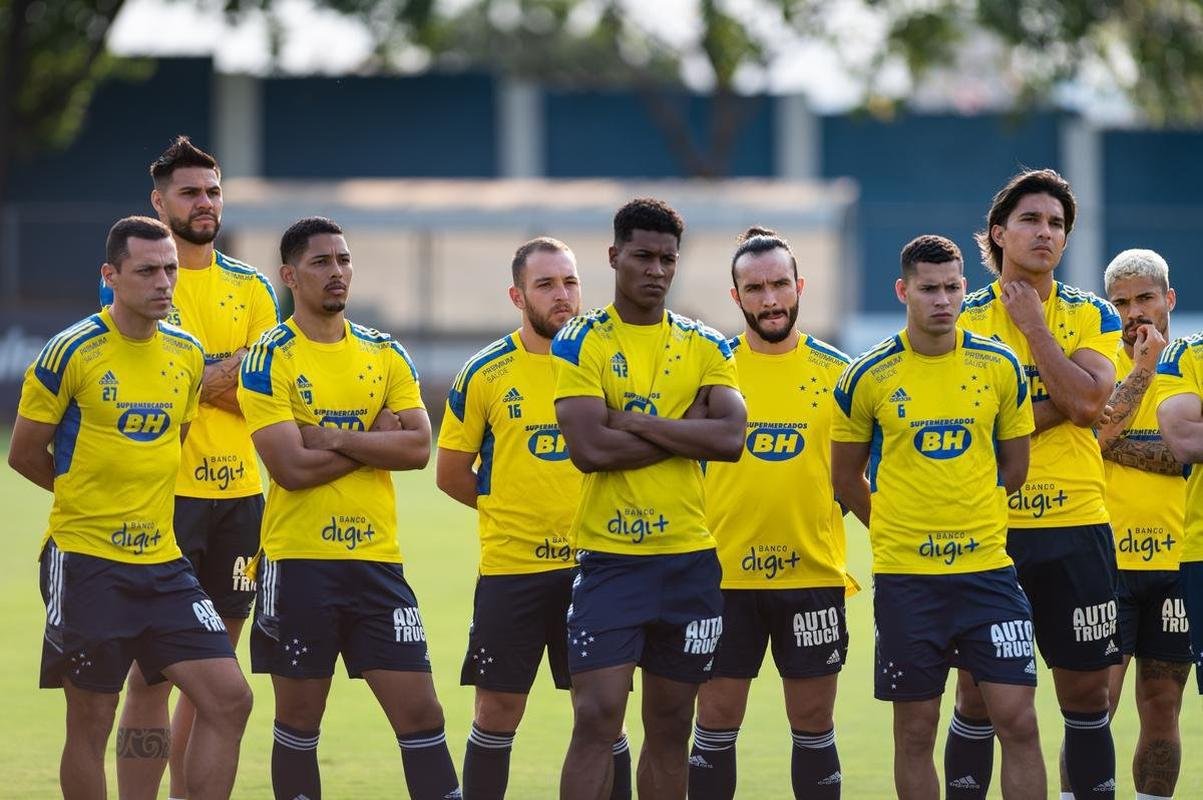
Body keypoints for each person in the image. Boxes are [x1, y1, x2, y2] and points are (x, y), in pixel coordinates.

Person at [7, 216, 253, 800]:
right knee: (91, 721)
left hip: (164, 565)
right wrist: (91, 505)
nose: (164, 282)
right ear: (111, 276)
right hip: (88, 563)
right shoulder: (71, 350)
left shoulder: (187, 355)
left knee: (229, 697)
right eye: (147, 271)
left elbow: (175, 438)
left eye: (170, 269)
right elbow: (23, 453)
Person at [237, 216, 460, 800]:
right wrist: (372, 440)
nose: (337, 273)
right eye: (321, 263)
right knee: (300, 723)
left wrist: (335, 438)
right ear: (289, 275)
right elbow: (290, 468)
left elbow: (417, 448)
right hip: (299, 562)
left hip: (376, 563)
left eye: (343, 260)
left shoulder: (385, 352)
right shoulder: (269, 356)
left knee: (423, 714)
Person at [830, 234, 1043, 800]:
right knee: (914, 732)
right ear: (904, 290)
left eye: (952, 287)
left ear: (965, 289)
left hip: (988, 574)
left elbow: (1014, 468)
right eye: (929, 289)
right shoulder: (867, 375)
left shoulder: (1000, 366)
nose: (942, 300)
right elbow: (845, 478)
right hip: (907, 582)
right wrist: (895, 526)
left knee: (1018, 722)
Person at [552, 197, 747, 800]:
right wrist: (684, 429)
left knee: (669, 727)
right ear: (614, 256)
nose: (656, 270)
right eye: (643, 255)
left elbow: (732, 439)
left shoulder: (708, 344)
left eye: (667, 259)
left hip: (688, 561)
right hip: (612, 562)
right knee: (597, 715)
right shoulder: (579, 341)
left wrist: (632, 422)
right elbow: (590, 450)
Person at [112, 135, 279, 800]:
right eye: (189, 192)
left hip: (241, 499)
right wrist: (221, 372)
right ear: (159, 202)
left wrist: (206, 375)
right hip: (165, 501)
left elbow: (264, 393)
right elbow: (158, 385)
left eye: (212, 190)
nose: (205, 202)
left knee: (213, 671)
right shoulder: (145, 279)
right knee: (149, 676)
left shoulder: (254, 287)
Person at [436, 237, 632, 799]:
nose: (562, 294)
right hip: (512, 570)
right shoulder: (486, 372)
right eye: (545, 284)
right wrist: (510, 507)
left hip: (597, 570)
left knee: (605, 714)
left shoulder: (606, 359)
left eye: (570, 281)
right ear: (517, 295)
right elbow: (451, 472)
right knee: (497, 709)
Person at [953, 168, 1122, 800]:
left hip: (1076, 526)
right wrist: (1050, 394)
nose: (1044, 232)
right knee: (978, 691)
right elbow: (966, 419)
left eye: (1056, 224)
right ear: (998, 233)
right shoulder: (960, 315)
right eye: (1030, 220)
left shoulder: (1091, 313)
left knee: (1086, 692)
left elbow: (1086, 405)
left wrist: (1034, 328)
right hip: (989, 530)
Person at [687, 227, 852, 800]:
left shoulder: (840, 374)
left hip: (811, 576)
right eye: (755, 288)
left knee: (813, 722)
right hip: (720, 579)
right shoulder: (711, 371)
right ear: (736, 297)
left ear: (799, 286)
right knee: (715, 718)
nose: (770, 299)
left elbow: (862, 475)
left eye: (780, 283)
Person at [1098, 249, 1191, 800]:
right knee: (1094, 708)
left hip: (1177, 564)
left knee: (1163, 707)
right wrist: (1141, 371)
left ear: (1169, 299)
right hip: (1107, 563)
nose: (1134, 313)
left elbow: (1188, 455)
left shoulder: (1196, 362)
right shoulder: (1101, 365)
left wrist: (1118, 449)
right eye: (1121, 303)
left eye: (1144, 298)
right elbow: (1091, 440)